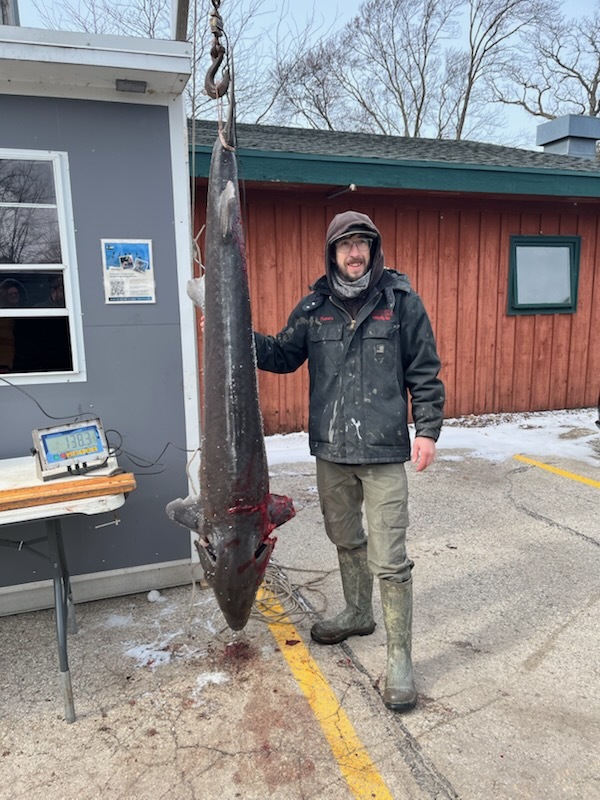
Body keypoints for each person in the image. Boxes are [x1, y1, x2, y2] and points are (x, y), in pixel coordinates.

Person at [253, 210, 445, 712]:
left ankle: (399, 660)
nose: (354, 252)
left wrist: (426, 429)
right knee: (344, 537)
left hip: (383, 452)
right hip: (332, 451)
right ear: (332, 253)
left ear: (373, 250)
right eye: (345, 245)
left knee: (390, 555)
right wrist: (234, 333)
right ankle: (358, 612)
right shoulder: (315, 307)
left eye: (362, 243)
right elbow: (280, 354)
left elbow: (423, 369)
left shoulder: (401, 302)